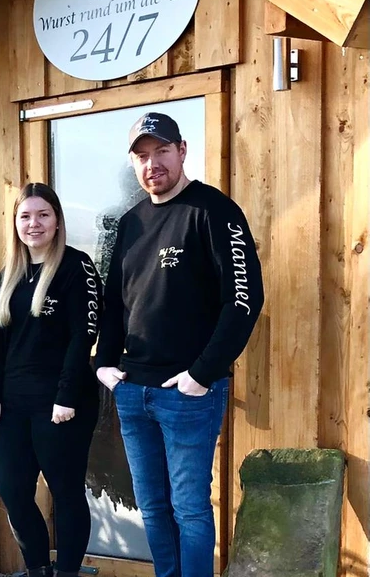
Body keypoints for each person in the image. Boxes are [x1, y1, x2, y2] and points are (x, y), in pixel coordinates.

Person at [94, 112, 264, 577]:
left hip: (188, 393)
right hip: (132, 391)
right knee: (152, 507)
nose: (153, 164)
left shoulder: (214, 212)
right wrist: (104, 364)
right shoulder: (129, 223)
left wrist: (201, 374)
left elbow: (245, 300)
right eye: (143, 156)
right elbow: (113, 303)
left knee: (189, 509)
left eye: (162, 152)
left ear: (183, 150)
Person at [0, 183, 101, 577]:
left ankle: (66, 571)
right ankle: (38, 569)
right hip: (13, 404)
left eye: (43, 215)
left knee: (65, 493)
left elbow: (83, 335)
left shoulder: (76, 266)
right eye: (25, 216)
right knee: (14, 491)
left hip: (62, 403)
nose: (34, 224)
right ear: (15, 223)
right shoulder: (9, 275)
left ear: (57, 220)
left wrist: (66, 396)